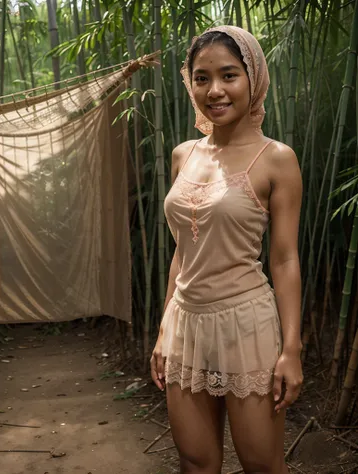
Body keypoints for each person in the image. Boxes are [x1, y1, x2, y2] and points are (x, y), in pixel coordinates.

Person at [150, 25, 303, 474]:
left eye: (229, 75)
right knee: (195, 462)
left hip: (246, 324)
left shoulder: (277, 158)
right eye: (202, 77)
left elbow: (284, 259)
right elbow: (183, 251)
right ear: (191, 83)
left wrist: (291, 349)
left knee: (261, 464)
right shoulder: (183, 154)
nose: (214, 90)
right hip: (185, 322)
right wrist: (164, 327)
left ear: (252, 78)